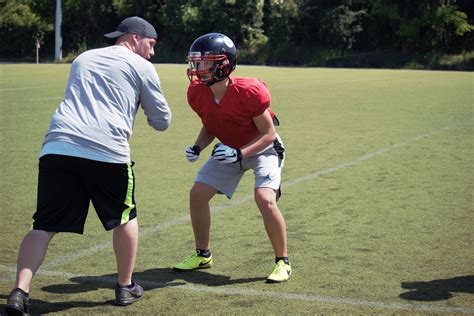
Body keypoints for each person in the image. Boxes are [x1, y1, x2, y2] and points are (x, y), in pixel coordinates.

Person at [5, 16, 172, 314]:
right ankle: (124, 286)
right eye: (151, 44)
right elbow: (162, 121)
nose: (152, 52)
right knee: (125, 217)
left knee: (43, 225)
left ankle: (19, 292)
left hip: (57, 145)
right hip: (107, 151)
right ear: (134, 38)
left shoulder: (83, 58)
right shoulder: (143, 67)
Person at [173, 33, 291, 283]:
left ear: (223, 65)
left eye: (205, 63)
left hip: (262, 148)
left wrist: (240, 153)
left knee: (264, 198)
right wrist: (197, 146)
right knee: (197, 195)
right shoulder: (197, 93)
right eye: (196, 63)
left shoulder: (249, 91)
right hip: (230, 149)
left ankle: (282, 261)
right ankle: (203, 254)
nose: (198, 69)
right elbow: (211, 124)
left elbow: (269, 134)